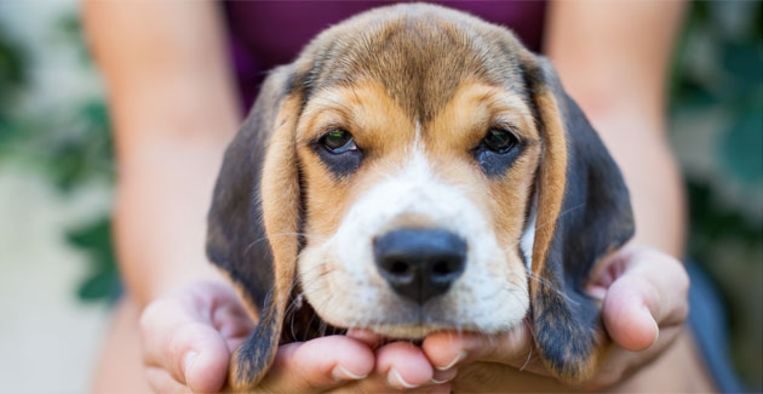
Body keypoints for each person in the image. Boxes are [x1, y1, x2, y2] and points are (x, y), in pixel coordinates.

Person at [85, 2, 717, 392]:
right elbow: (173, 134)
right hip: (263, 246)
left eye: (497, 138)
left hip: (544, 262)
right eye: (338, 140)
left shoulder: (560, 158)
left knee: (649, 368)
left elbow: (614, 106)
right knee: (165, 374)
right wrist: (237, 311)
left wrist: (600, 299)